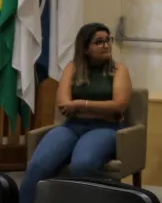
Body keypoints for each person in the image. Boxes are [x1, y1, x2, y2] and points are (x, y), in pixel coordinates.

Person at [19, 23, 133, 203]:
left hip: (105, 127)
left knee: (83, 165)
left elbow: (118, 105)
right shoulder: (71, 68)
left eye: (108, 40)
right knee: (38, 165)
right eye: (99, 42)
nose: (106, 45)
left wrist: (81, 104)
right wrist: (100, 108)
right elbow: (64, 104)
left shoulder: (119, 70)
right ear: (85, 48)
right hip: (71, 126)